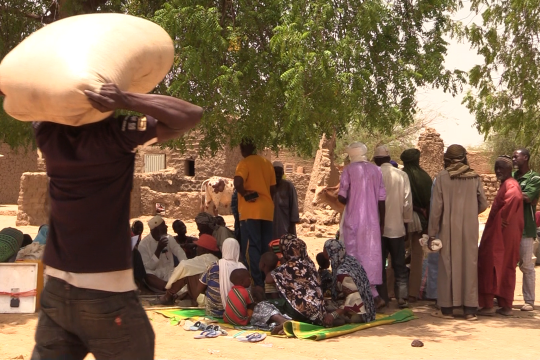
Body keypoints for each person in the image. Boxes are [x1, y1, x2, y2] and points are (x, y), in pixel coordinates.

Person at [28, 82, 202, 359]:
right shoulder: (116, 133)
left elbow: (25, 99)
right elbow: (190, 114)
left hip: (57, 293)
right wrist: (126, 99)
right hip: (108, 294)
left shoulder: (49, 134)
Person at [428, 144, 488, 320]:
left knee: (447, 264)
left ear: (447, 158)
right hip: (470, 228)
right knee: (469, 264)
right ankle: (470, 310)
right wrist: (470, 212)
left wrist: (432, 232)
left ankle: (447, 309)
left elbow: (436, 209)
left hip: (448, 228)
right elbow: (483, 203)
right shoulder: (474, 177)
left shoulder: (442, 177)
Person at [337, 142, 386, 307]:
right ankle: (374, 294)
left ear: (351, 155)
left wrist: (347, 192)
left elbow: (342, 197)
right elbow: (381, 199)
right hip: (372, 222)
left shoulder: (349, 170)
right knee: (371, 256)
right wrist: (381, 222)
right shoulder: (376, 170)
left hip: (354, 220)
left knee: (354, 255)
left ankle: (362, 297)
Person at [478, 156, 524, 316]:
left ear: (509, 170)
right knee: (504, 267)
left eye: (501, 169)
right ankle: (505, 305)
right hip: (505, 233)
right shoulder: (507, 184)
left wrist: (504, 217)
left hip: (501, 234)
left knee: (491, 264)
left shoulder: (511, 185)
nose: (498, 171)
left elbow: (515, 197)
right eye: (496, 168)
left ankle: (488, 305)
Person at [373, 145, 413, 308]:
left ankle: (383, 298)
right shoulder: (402, 175)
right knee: (399, 264)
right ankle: (402, 296)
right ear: (389, 159)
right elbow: (407, 202)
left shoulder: (374, 176)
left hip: (378, 230)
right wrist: (406, 224)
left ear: (376, 160)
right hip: (397, 228)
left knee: (379, 264)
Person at [234, 138, 277, 286]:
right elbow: (273, 189)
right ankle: (269, 283)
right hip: (267, 211)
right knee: (266, 248)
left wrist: (245, 194)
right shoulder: (267, 164)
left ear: (242, 149)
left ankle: (256, 284)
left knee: (251, 247)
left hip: (250, 212)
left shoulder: (244, 163)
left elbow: (238, 182)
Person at [266, 234, 327, 325]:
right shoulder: (311, 264)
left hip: (300, 312)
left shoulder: (289, 266)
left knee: (263, 306)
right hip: (318, 313)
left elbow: (268, 279)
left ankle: (283, 322)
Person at [400, 148, 433, 302]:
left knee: (396, 254)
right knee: (417, 256)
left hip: (400, 220)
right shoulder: (425, 177)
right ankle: (413, 293)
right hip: (420, 221)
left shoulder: (399, 176)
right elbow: (429, 203)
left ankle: (393, 291)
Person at [155, 234, 220, 305]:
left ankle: (168, 296)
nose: (197, 249)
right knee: (192, 272)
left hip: (205, 298)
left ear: (204, 249)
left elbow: (184, 265)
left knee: (187, 272)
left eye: (198, 247)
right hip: (215, 298)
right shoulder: (216, 260)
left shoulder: (204, 258)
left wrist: (169, 287)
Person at [322, 239, 376, 325]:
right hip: (369, 308)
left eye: (324, 249)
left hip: (360, 313)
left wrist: (333, 315)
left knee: (321, 310)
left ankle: (341, 319)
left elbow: (353, 298)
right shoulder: (350, 261)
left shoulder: (342, 272)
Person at [512, 148, 540, 311]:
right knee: (507, 263)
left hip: (525, 228)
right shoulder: (513, 177)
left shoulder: (534, 177)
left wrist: (509, 190)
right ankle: (504, 297)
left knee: (527, 265)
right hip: (510, 227)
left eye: (516, 157)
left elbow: (528, 197)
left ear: (526, 158)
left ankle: (529, 300)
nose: (513, 159)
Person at [194, 238, 246, 317]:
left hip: (213, 311)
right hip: (236, 312)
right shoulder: (242, 268)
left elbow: (198, 289)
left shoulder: (213, 266)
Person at [138, 215, 187, 291]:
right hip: (155, 277)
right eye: (163, 225)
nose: (166, 227)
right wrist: (158, 250)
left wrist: (185, 267)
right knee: (147, 274)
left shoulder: (168, 238)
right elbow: (149, 267)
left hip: (170, 274)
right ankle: (169, 289)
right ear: (156, 229)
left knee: (183, 268)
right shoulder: (143, 245)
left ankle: (172, 288)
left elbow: (180, 252)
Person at [272, 161, 300, 239]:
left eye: (279, 173)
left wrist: (292, 226)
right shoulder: (267, 186)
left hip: (285, 225)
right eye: (275, 173)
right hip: (270, 225)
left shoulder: (288, 186)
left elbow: (294, 206)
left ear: (283, 173)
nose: (277, 175)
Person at [131, 220, 146, 289]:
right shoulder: (132, 237)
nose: (140, 229)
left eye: (141, 227)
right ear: (133, 228)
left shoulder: (138, 238)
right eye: (138, 227)